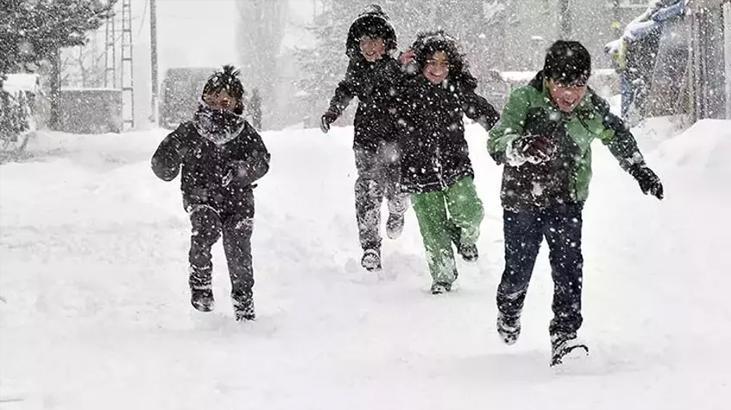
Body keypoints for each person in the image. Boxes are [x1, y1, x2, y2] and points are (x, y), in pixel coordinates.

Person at [487, 41, 664, 365]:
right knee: (519, 269)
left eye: (579, 86)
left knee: (569, 268)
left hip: (567, 200)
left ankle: (565, 337)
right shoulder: (524, 100)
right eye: (562, 86)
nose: (570, 95)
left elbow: (616, 134)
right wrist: (521, 147)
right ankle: (509, 307)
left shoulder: (590, 107)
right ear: (548, 79)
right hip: (522, 202)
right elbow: (497, 142)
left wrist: (638, 167)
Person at [151, 65, 270, 321]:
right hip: (200, 196)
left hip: (238, 202)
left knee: (239, 250)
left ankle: (243, 301)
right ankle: (201, 281)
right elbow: (162, 160)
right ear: (202, 99)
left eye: (224, 101)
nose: (217, 107)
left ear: (237, 104)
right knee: (206, 229)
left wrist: (242, 171)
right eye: (211, 100)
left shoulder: (244, 133)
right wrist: (168, 161)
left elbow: (262, 161)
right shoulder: (190, 131)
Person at [395, 30, 499, 294]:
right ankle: (442, 277)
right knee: (432, 228)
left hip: (454, 163)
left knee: (470, 211)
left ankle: (465, 237)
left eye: (444, 64)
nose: (438, 69)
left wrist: (502, 135)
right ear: (419, 62)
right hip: (417, 168)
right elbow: (380, 96)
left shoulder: (456, 88)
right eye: (431, 62)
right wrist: (398, 68)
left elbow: (483, 111)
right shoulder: (404, 86)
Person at [320, 4, 409, 272]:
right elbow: (346, 89)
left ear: (387, 44)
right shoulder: (356, 69)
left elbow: (411, 93)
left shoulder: (396, 68)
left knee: (395, 185)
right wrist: (333, 111)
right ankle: (371, 245)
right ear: (356, 44)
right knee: (368, 188)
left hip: (394, 137)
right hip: (366, 139)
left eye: (377, 41)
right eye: (365, 42)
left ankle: (397, 209)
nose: (371, 48)